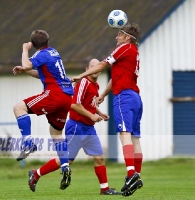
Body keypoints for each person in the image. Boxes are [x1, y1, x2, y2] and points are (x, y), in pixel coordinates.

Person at [28, 58, 122, 195]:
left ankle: (105, 189)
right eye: (92, 66)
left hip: (89, 128)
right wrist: (91, 116)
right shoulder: (83, 82)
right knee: (67, 160)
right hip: (77, 126)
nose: (95, 69)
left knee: (99, 157)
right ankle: (36, 174)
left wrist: (100, 113)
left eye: (97, 66)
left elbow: (89, 104)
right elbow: (74, 104)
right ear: (87, 69)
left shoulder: (95, 86)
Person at [71, 23, 143, 197]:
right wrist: (103, 94)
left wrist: (81, 75)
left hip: (124, 97)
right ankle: (136, 175)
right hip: (135, 98)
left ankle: (131, 174)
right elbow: (117, 76)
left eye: (119, 34)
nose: (116, 37)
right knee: (134, 138)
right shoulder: (133, 52)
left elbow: (103, 65)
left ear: (127, 37)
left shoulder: (124, 48)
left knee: (124, 134)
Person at [12, 30, 74, 189]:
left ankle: (28, 143)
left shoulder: (41, 54)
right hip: (67, 96)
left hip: (55, 94)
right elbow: (43, 74)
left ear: (33, 44)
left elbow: (28, 64)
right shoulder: (52, 52)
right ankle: (65, 166)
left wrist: (25, 50)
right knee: (56, 133)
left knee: (19, 107)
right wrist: (25, 69)